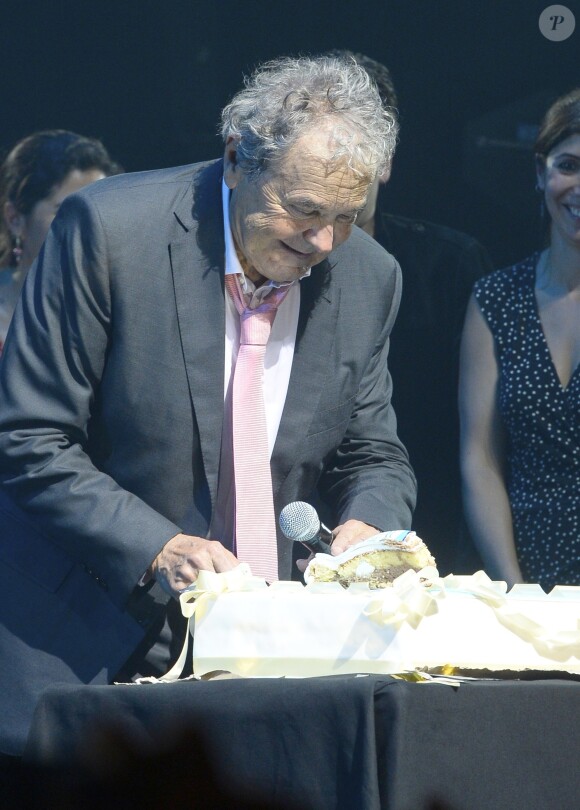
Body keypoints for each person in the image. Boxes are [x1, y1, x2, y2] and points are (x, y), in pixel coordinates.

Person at [0, 55, 416, 756]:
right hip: (86, 644)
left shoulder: (370, 277)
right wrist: (157, 547)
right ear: (234, 159)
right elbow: (29, 436)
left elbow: (373, 452)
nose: (322, 243)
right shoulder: (109, 231)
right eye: (304, 210)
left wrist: (368, 528)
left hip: (268, 662)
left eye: (346, 217)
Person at [327, 51, 494, 574]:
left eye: (357, 148)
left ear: (386, 160)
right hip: (295, 515)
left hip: (429, 518)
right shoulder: (267, 261)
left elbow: (481, 431)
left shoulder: (450, 263)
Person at [459, 88, 580, 591]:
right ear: (540, 173)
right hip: (525, 582)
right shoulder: (496, 298)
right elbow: (480, 458)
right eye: (569, 165)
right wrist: (514, 591)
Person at [0, 130, 122, 353]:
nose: (91, 227)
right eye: (67, 211)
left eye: (100, 211)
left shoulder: (122, 314)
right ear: (15, 219)